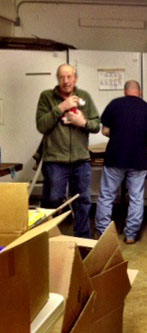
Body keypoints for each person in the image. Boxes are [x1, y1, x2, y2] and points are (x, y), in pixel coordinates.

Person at [36, 63, 100, 238]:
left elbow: (96, 125)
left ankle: (83, 240)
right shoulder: (46, 97)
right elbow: (42, 125)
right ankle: (47, 237)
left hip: (81, 160)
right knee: (53, 200)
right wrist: (61, 107)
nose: (66, 81)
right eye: (62, 77)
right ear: (57, 79)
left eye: (69, 76)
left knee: (83, 201)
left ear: (75, 78)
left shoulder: (84, 97)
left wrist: (83, 123)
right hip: (55, 161)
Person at [94, 80, 147, 244]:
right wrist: (140, 135)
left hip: (115, 157)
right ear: (141, 92)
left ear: (125, 91)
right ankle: (131, 235)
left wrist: (119, 134)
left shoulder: (114, 105)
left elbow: (105, 131)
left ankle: (103, 233)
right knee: (136, 197)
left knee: (106, 196)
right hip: (138, 159)